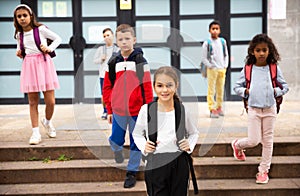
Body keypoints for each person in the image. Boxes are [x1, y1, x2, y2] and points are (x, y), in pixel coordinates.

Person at [132, 66, 199, 196]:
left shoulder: (182, 110)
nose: (165, 90)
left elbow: (193, 133)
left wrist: (189, 144)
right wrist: (144, 146)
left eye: (169, 85)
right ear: (154, 87)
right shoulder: (146, 110)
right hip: (155, 162)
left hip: (179, 162)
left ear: (176, 86)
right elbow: (137, 133)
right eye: (160, 86)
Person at [232, 34, 289, 184]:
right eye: (258, 50)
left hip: (270, 109)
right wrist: (246, 92)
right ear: (252, 52)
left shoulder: (274, 68)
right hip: (254, 109)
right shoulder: (247, 69)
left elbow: (285, 86)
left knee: (268, 140)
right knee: (253, 140)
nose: (262, 53)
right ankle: (237, 145)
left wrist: (275, 91)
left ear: (270, 51)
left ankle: (263, 171)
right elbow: (237, 86)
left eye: (264, 50)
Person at [102, 24, 153, 188]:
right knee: (116, 139)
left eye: (127, 39)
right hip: (118, 110)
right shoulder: (112, 62)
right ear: (116, 42)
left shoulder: (140, 61)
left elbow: (147, 87)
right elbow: (107, 88)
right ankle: (117, 150)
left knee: (136, 142)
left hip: (136, 110)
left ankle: (131, 172)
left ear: (134, 40)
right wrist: (109, 109)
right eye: (121, 39)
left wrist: (148, 109)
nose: (124, 42)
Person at [13, 4, 62, 145]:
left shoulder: (40, 29)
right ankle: (35, 133)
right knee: (33, 101)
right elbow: (20, 48)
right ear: (16, 19)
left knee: (50, 101)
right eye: (19, 16)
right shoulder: (19, 34)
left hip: (44, 64)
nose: (22, 18)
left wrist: (49, 48)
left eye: (24, 15)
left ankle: (47, 121)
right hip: (29, 66)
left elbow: (58, 39)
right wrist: (19, 52)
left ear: (30, 16)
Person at [201, 20, 229, 118]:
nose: (215, 31)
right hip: (212, 70)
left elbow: (226, 55)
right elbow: (204, 58)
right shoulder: (207, 43)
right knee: (211, 90)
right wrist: (210, 66)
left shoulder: (222, 41)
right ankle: (212, 108)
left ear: (219, 30)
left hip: (222, 69)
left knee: (220, 89)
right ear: (209, 30)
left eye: (217, 29)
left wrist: (225, 65)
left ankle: (219, 107)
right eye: (213, 29)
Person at [93, 28, 119, 120]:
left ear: (112, 35)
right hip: (103, 75)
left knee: (116, 94)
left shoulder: (117, 48)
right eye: (104, 36)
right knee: (104, 95)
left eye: (108, 35)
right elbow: (95, 61)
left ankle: (115, 110)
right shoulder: (101, 49)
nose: (106, 37)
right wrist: (101, 59)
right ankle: (105, 111)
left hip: (115, 75)